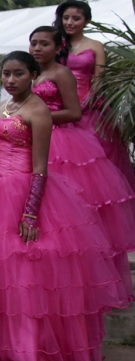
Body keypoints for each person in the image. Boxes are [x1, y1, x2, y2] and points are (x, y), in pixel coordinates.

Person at [0, 52, 123, 361]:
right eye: (6, 74)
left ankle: (25, 346)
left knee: (23, 269)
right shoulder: (2, 107)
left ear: (33, 76)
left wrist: (30, 214)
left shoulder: (39, 111)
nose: (10, 80)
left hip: (22, 191)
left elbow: (40, 168)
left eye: (18, 74)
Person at [28, 26, 135, 303]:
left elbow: (74, 111)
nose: (38, 49)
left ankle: (79, 281)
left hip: (62, 142)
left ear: (58, 47)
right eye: (34, 44)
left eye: (44, 44)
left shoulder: (61, 73)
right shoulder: (28, 72)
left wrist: (41, 119)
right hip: (28, 140)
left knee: (64, 211)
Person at [59, 0, 135, 190]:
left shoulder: (95, 46)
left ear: (87, 21)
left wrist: (86, 102)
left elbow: (100, 80)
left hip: (89, 106)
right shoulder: (56, 45)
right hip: (58, 105)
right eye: (66, 17)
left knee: (97, 157)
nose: (69, 22)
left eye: (76, 18)